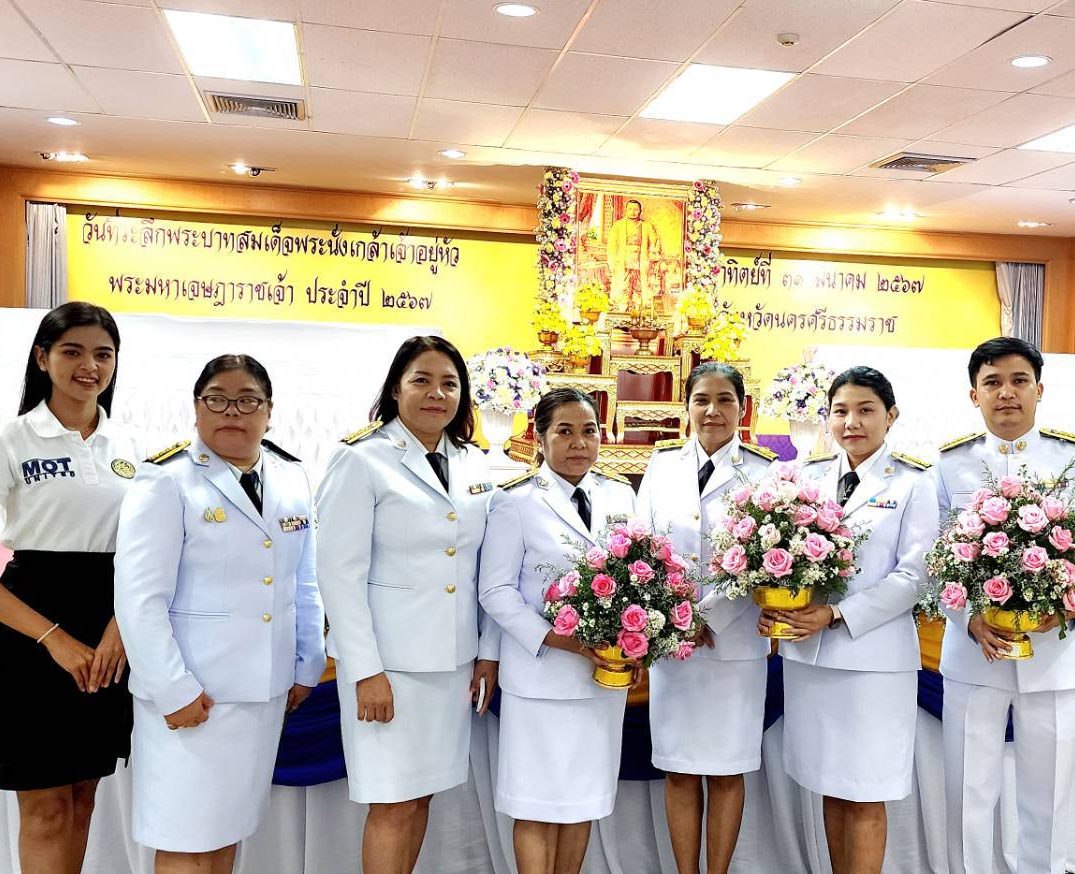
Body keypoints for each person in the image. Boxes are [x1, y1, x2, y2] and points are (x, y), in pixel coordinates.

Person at [0, 301, 137, 874]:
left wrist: (121, 626)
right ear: (43, 358)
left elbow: (147, 555)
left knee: (82, 796)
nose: (89, 366)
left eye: (103, 354)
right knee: (47, 808)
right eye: (73, 352)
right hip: (30, 631)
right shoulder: (7, 441)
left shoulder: (130, 446)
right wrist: (53, 638)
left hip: (109, 630)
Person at [113, 354, 325, 874]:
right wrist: (173, 689)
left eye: (248, 400)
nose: (232, 411)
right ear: (196, 408)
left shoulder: (291, 477)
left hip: (264, 693)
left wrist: (307, 664)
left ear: (269, 411)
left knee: (226, 834)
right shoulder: (167, 480)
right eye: (218, 399)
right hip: (194, 693)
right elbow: (139, 598)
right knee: (185, 841)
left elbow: (303, 581)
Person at [316, 336, 502, 874]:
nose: (436, 393)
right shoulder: (361, 459)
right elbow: (339, 575)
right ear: (396, 389)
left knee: (422, 798)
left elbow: (482, 569)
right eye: (421, 380)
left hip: (451, 663)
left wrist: (485, 653)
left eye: (449, 383)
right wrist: (366, 671)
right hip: (389, 667)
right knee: (392, 803)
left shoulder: (473, 463)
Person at [934, 338, 1075, 874]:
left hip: (1054, 655)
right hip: (975, 655)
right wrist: (968, 618)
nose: (1006, 393)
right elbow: (934, 559)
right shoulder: (950, 463)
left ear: (1039, 389)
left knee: (1047, 799)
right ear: (974, 394)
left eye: (1018, 381)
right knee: (967, 795)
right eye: (992, 382)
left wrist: (1071, 610)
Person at [758, 366, 936, 874]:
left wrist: (836, 613)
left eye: (865, 410)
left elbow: (915, 576)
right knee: (829, 785)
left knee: (865, 791)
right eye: (840, 411)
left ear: (890, 416)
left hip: (872, 664)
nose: (851, 422)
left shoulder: (914, 482)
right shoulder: (805, 478)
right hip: (810, 661)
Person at [479, 388, 638, 874]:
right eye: (564, 432)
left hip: (603, 680)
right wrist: (561, 640)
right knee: (535, 804)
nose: (578, 443)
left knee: (582, 801)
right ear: (539, 438)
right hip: (541, 679)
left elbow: (640, 574)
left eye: (589, 431)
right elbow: (496, 591)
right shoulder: (515, 501)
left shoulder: (620, 495)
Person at [635, 362, 777, 874]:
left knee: (726, 771)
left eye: (724, 400)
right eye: (702, 400)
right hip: (672, 645)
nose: (713, 410)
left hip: (734, 646)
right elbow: (642, 547)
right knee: (677, 769)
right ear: (687, 407)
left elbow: (766, 561)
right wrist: (674, 616)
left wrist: (706, 615)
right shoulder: (662, 465)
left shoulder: (766, 473)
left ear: (743, 407)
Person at [606, 198, 662, 313]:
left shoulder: (647, 225)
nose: (633, 212)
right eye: (630, 209)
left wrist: (654, 251)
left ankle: (637, 307)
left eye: (635, 209)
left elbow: (655, 241)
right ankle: (623, 306)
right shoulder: (618, 225)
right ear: (626, 210)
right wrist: (612, 260)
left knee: (638, 284)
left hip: (641, 259)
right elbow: (612, 245)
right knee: (624, 284)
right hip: (623, 259)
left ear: (640, 211)